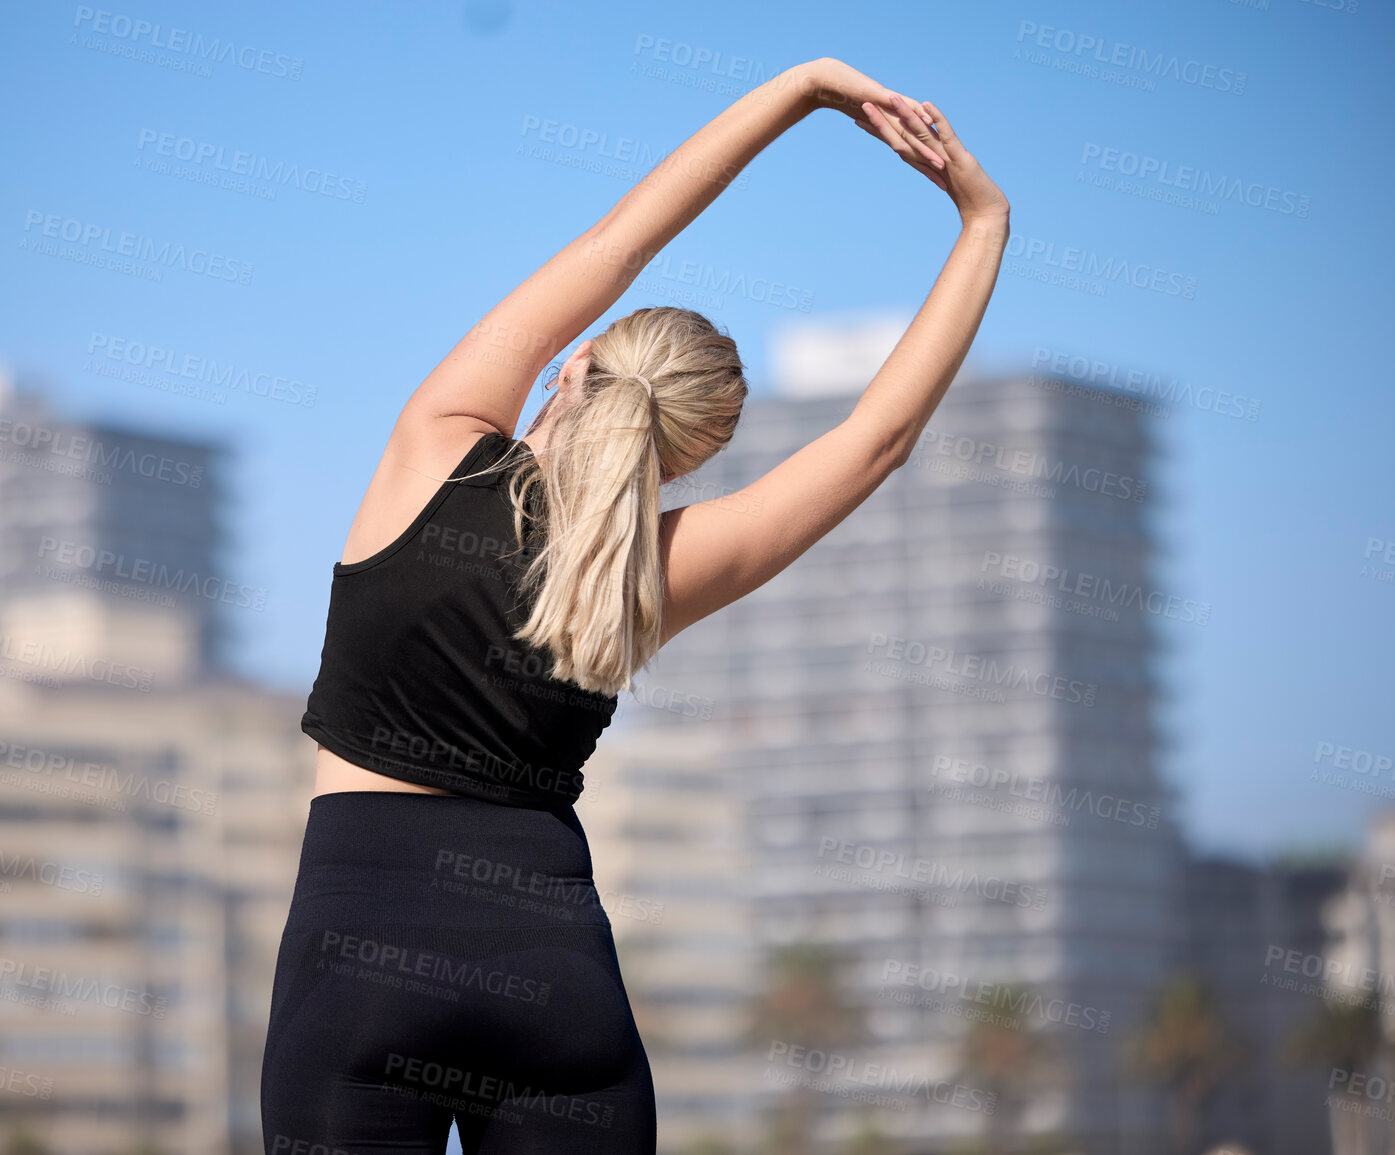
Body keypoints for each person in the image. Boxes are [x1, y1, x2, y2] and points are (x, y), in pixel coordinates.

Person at [261, 55, 1009, 1153]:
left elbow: (622, 243)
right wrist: (981, 223)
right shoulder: (646, 573)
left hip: (356, 970)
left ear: (572, 365)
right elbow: (876, 444)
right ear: (683, 461)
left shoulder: (436, 444)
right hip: (552, 980)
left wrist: (802, 90)